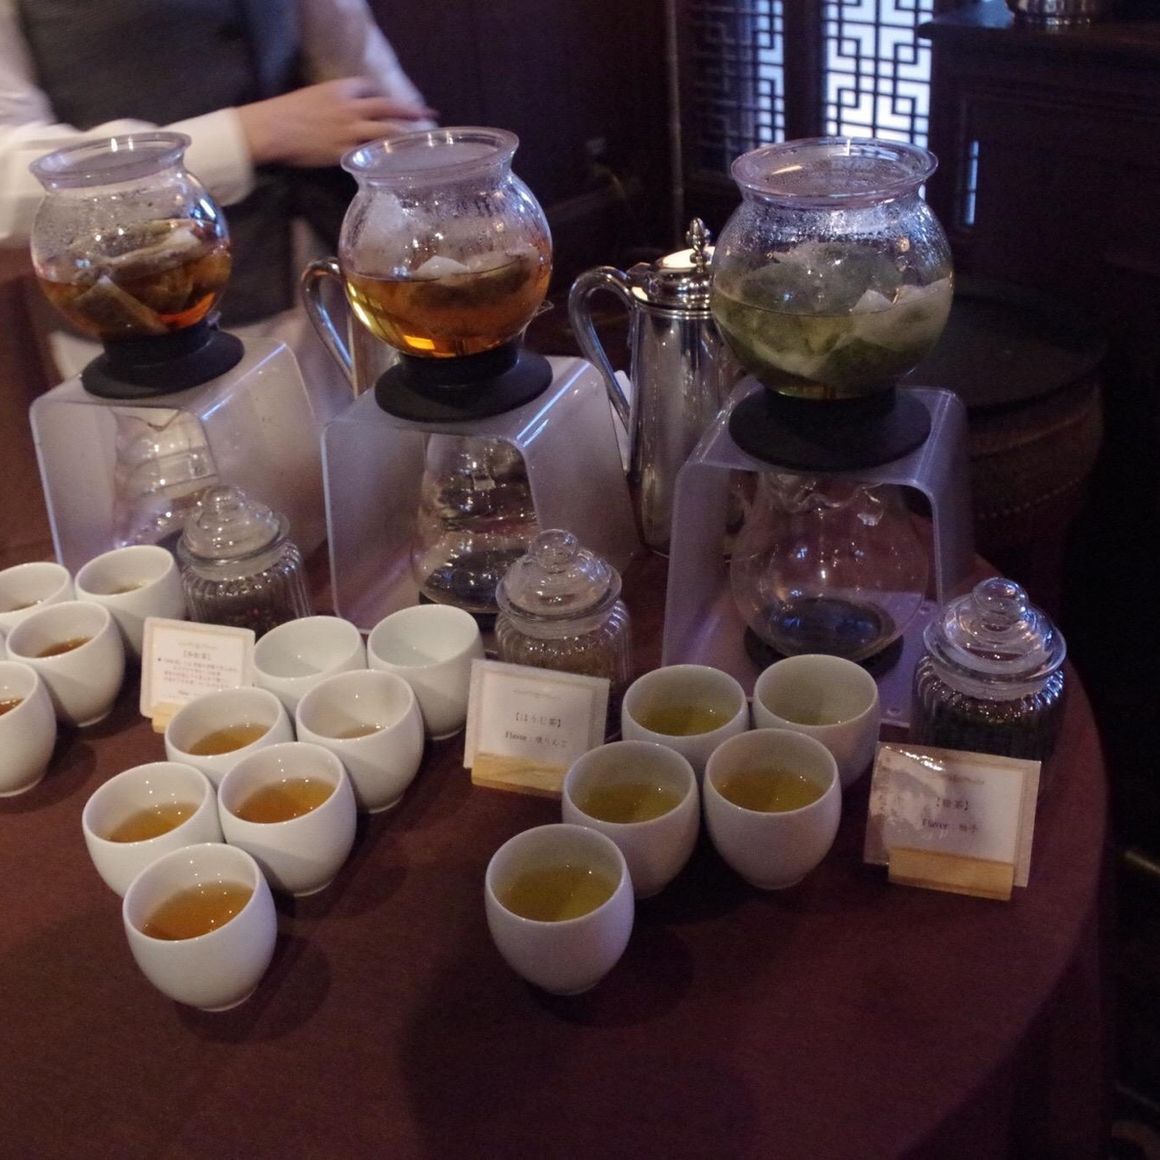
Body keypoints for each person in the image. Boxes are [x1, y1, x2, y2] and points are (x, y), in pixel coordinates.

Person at [0, 0, 436, 416]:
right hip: (144, 308)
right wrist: (248, 135)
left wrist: (431, 208)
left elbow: (355, 60)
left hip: (333, 275)